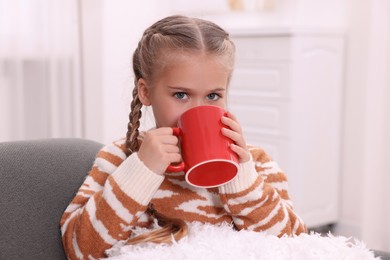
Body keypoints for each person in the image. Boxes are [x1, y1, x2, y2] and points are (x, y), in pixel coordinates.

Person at [60, 15, 306, 259]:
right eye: (180, 95)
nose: (196, 110)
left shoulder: (255, 163)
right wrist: (141, 172)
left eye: (212, 96)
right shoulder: (119, 159)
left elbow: (295, 245)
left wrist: (240, 178)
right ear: (146, 93)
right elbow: (80, 250)